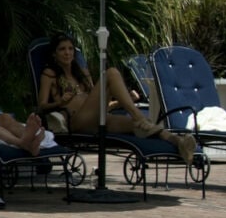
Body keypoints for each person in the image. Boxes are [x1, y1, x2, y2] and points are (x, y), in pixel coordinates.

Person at [37, 33, 196, 163]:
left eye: (71, 49)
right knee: (111, 73)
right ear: (54, 54)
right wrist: (61, 101)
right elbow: (41, 106)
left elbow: (98, 105)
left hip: (98, 118)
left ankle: (178, 142)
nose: (67, 53)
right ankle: (139, 117)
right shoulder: (50, 74)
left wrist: (122, 102)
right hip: (77, 123)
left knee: (141, 125)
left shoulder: (82, 73)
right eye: (62, 49)